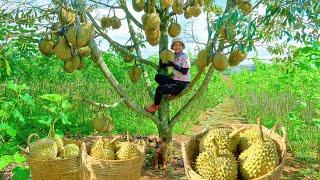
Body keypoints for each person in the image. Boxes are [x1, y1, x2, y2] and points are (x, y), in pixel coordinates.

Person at [145, 37, 191, 113]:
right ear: (172, 47)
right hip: (175, 81)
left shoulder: (185, 57)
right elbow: (162, 66)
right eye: (175, 45)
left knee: (160, 89)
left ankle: (155, 106)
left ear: (182, 47)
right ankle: (174, 92)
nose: (177, 47)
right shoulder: (173, 56)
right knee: (158, 77)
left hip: (183, 84)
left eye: (179, 45)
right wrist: (163, 55)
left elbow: (184, 71)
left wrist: (173, 64)